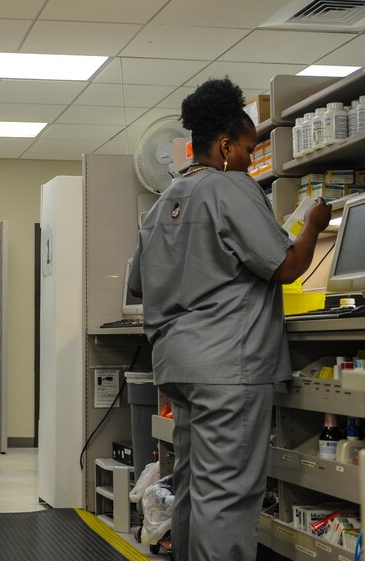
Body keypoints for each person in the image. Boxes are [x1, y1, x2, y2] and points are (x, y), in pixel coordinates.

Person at [129, 77, 331, 561]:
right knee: (229, 497)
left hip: (179, 367)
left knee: (196, 487)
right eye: (246, 148)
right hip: (228, 369)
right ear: (223, 146)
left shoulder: (163, 203)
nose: (248, 158)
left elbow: (139, 281)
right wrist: (313, 226)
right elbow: (285, 265)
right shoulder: (228, 186)